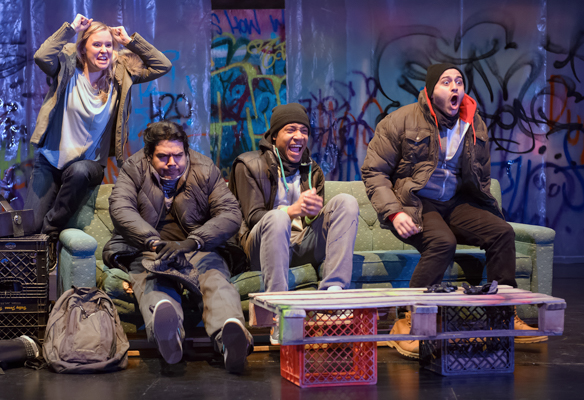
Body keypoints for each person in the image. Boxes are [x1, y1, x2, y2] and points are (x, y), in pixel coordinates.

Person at [361, 63, 546, 358]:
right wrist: (395, 212)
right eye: (446, 82)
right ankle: (409, 318)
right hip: (417, 202)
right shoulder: (401, 120)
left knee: (502, 232)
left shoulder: (474, 123)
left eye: (459, 81)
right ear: (431, 90)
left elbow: (480, 175)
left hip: (455, 201)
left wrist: (486, 207)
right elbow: (374, 171)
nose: (455, 87)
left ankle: (503, 317)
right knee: (442, 242)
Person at [102, 121, 253, 372]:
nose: (172, 163)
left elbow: (229, 213)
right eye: (163, 157)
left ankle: (230, 339)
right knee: (154, 282)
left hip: (198, 248)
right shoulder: (133, 169)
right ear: (149, 155)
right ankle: (169, 337)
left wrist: (192, 242)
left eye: (178, 155)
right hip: (150, 250)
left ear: (186, 151)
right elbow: (121, 208)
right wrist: (153, 242)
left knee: (215, 280)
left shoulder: (205, 168)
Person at [25, 14, 172, 263]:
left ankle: (51, 233)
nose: (104, 50)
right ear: (83, 48)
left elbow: (162, 65)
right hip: (51, 160)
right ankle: (30, 278)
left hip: (89, 165)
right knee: (29, 227)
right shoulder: (67, 67)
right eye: (97, 44)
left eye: (108, 45)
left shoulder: (121, 74)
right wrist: (71, 28)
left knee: (79, 171)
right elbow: (42, 56)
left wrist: (130, 41)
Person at [229, 103, 360, 345]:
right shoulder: (248, 165)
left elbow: (310, 220)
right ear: (274, 135)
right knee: (278, 217)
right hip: (261, 248)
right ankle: (280, 313)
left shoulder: (312, 169)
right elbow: (253, 217)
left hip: (300, 245)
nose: (299, 136)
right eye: (291, 130)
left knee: (346, 202)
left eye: (304, 131)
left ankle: (333, 297)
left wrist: (312, 214)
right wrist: (290, 211)